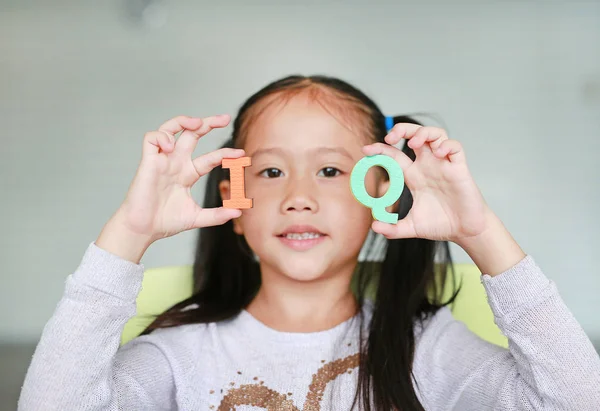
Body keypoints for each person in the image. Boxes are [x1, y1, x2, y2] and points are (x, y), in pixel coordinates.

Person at [18, 75, 600, 410]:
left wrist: (481, 234)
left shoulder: (430, 348)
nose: (298, 197)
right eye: (271, 173)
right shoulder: (180, 353)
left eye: (328, 172)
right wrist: (129, 232)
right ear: (235, 207)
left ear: (383, 193)